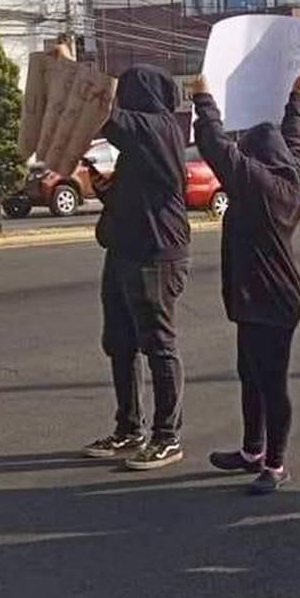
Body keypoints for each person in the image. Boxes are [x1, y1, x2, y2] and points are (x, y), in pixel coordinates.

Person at [188, 69, 300, 495]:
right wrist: (296, 98)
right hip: (257, 296)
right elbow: (295, 138)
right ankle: (252, 450)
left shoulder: (262, 186)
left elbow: (218, 150)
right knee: (250, 373)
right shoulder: (290, 173)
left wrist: (204, 101)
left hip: (271, 301)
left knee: (271, 382)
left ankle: (275, 463)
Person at [79, 52, 192, 471]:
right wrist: (105, 187)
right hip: (124, 250)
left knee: (158, 345)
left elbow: (105, 113)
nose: (123, 100)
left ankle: (167, 437)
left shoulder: (160, 128)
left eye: (127, 92)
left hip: (156, 254)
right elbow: (134, 197)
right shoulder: (141, 140)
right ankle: (129, 428)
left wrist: (72, 68)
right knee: (120, 344)